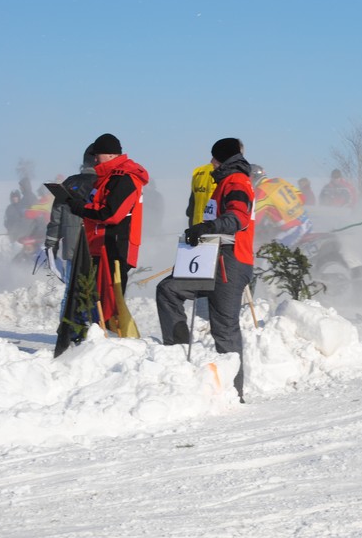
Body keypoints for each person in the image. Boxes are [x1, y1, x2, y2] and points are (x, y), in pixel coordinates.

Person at [156, 137, 255, 403]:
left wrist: (207, 228)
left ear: (221, 158)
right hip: (210, 257)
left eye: (213, 157)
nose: (210, 162)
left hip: (230, 261)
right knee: (168, 290)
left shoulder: (237, 181)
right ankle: (178, 357)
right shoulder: (222, 182)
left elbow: (238, 218)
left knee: (224, 328)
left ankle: (235, 392)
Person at [68, 133, 149, 323]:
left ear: (110, 154)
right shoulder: (107, 177)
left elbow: (111, 214)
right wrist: (79, 203)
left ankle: (112, 340)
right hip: (98, 245)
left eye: (98, 154)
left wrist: (82, 209)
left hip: (115, 248)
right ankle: (95, 334)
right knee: (94, 298)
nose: (95, 159)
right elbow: (97, 204)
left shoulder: (125, 178)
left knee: (110, 302)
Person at [44, 145, 97, 315]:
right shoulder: (104, 183)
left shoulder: (69, 183)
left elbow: (56, 217)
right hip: (96, 246)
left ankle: (67, 331)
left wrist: (51, 242)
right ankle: (96, 330)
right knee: (96, 292)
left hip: (72, 246)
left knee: (71, 291)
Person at [251, 164, 313, 247]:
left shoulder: (261, 191)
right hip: (306, 222)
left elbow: (255, 219)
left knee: (266, 255)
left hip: (293, 229)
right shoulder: (279, 180)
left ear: (252, 177)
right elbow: (302, 198)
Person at [186, 162, 217, 227]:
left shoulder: (198, 171)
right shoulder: (228, 172)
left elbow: (190, 209)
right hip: (216, 229)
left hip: (196, 226)